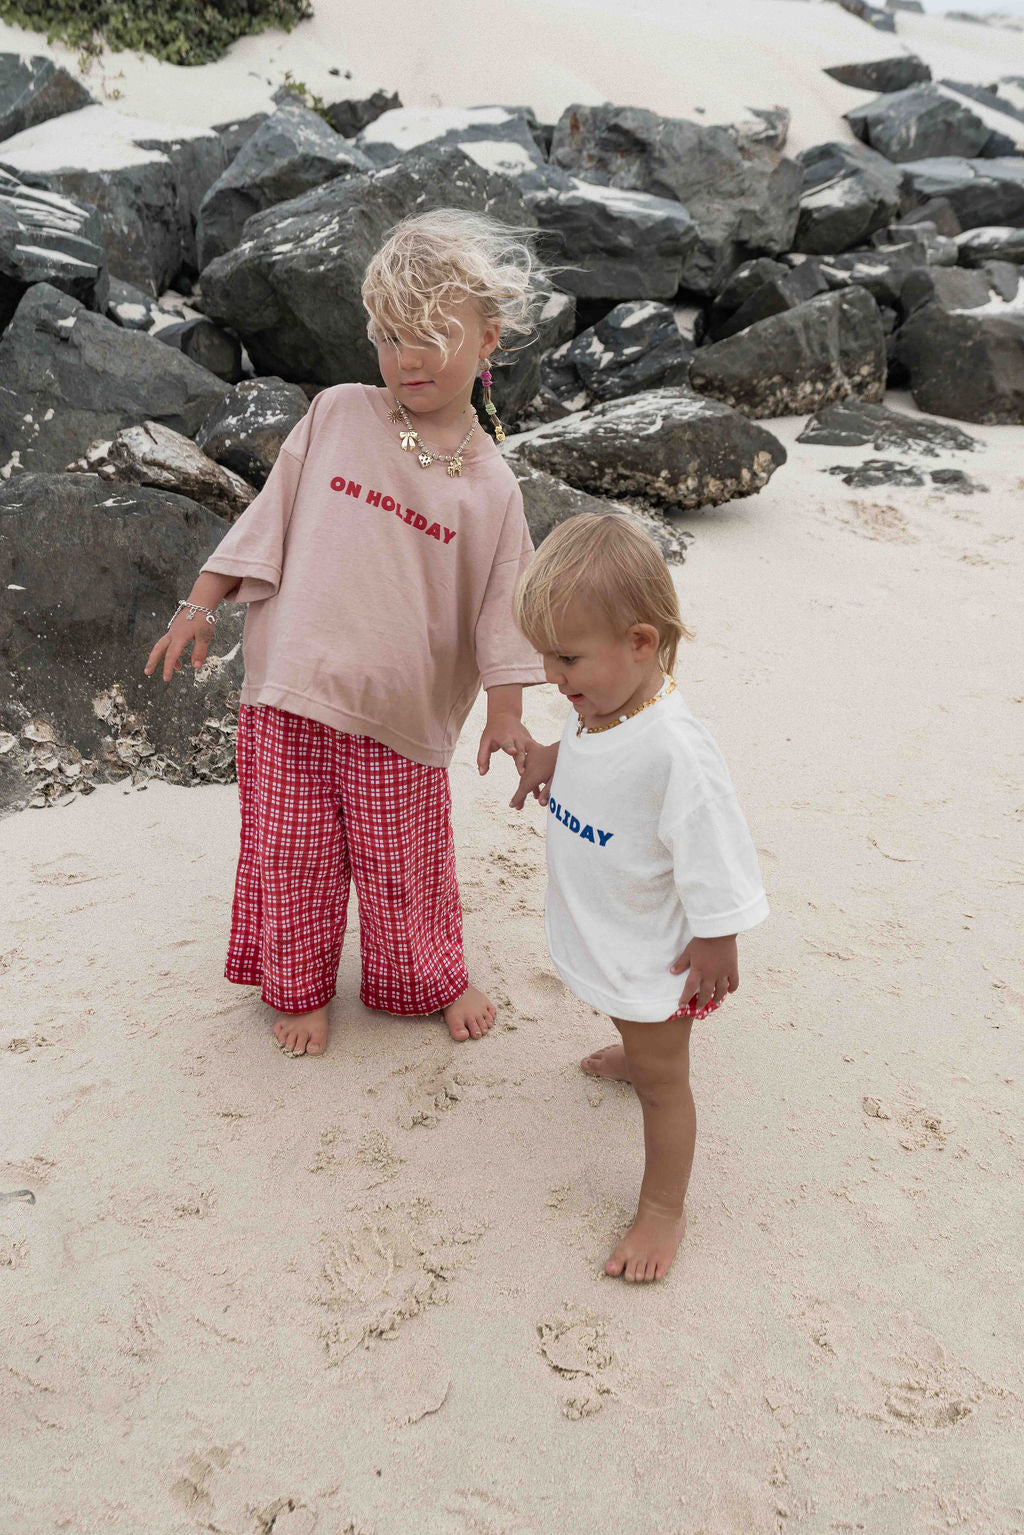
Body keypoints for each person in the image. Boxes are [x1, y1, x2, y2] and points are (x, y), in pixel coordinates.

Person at [144, 208, 545, 1057]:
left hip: (399, 719)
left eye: (435, 333)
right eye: (392, 336)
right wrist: (200, 603)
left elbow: (503, 608)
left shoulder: (491, 485)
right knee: (291, 856)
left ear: (488, 340)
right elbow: (267, 518)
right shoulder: (338, 415)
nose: (409, 356)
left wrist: (506, 711)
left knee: (407, 869)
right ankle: (297, 986)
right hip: (290, 695)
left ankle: (426, 976)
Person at [510, 514, 768, 1283]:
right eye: (546, 657)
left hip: (659, 951)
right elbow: (592, 746)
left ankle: (663, 1206)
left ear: (642, 643)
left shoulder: (677, 749)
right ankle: (633, 1044)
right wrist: (554, 755)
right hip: (608, 922)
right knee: (630, 1022)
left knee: (665, 1081)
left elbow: (718, 851)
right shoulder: (600, 701)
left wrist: (720, 938)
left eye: (566, 657)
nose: (555, 677)